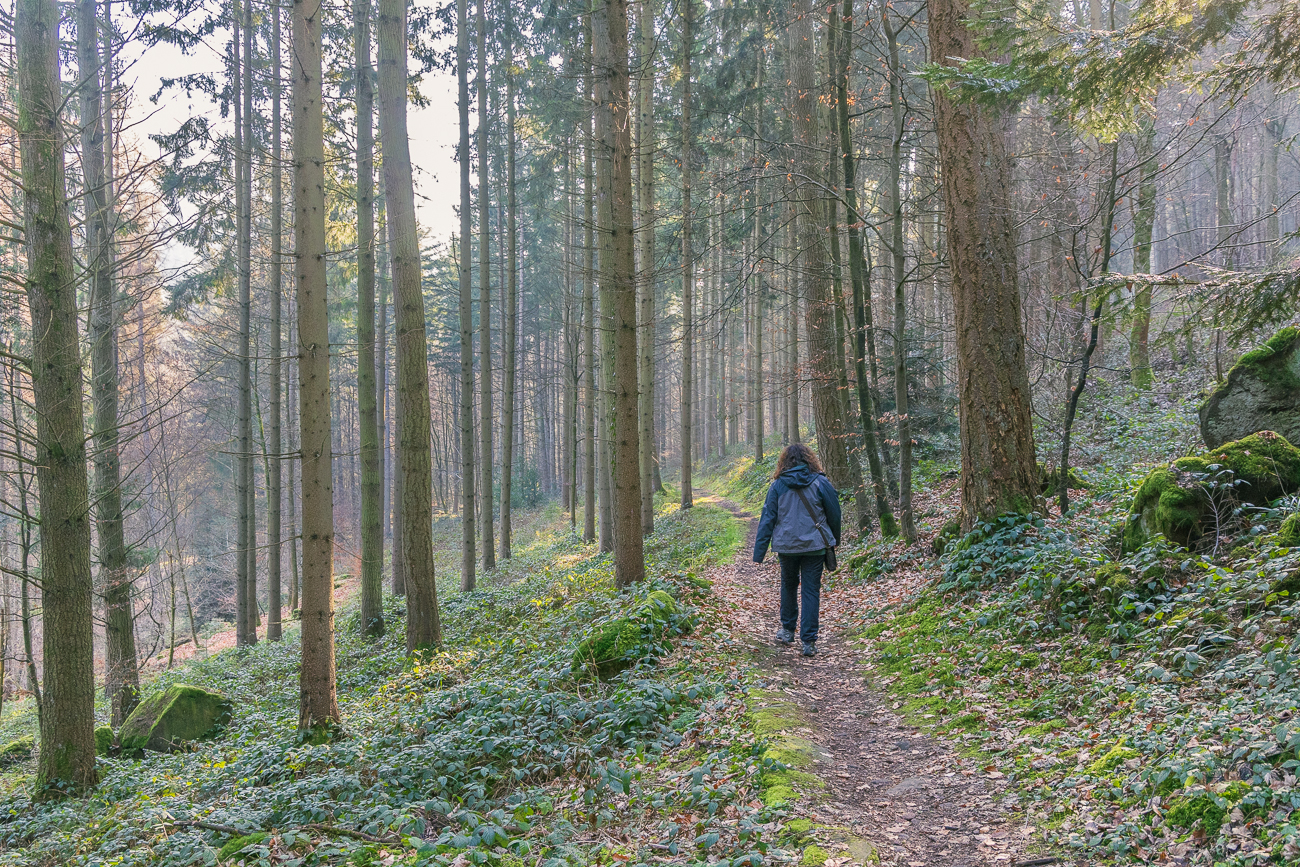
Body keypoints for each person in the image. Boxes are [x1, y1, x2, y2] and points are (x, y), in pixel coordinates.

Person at [752, 443, 841, 657]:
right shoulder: (821, 482)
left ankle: (787, 630)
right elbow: (834, 513)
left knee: (789, 586)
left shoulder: (777, 487)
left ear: (784, 462)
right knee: (811, 590)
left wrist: (759, 552)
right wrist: (834, 540)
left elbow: (767, 519)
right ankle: (809, 642)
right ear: (810, 459)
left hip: (787, 547)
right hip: (815, 547)